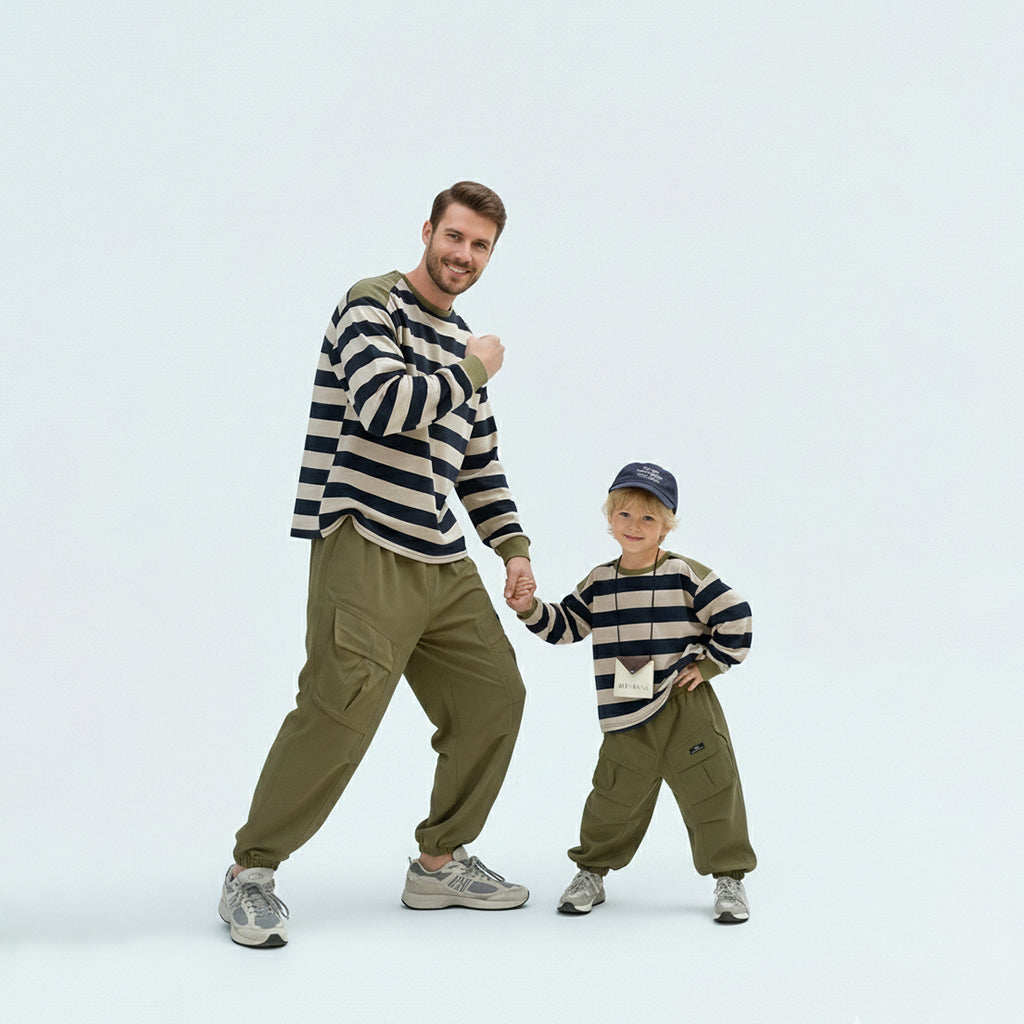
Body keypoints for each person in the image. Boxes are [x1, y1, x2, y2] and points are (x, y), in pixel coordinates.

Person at [219, 182, 534, 948]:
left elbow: (478, 466)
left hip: (440, 557)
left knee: (495, 697)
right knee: (338, 712)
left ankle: (439, 862)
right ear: (427, 231)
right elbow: (384, 405)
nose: (464, 254)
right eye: (455, 236)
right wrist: (473, 370)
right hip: (364, 539)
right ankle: (250, 874)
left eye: (480, 245)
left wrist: (514, 549)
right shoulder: (373, 304)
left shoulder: (462, 345)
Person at [506, 462, 757, 922]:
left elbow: (736, 615)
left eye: (648, 517)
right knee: (612, 798)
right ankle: (591, 873)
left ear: (667, 525)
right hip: (625, 711)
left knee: (713, 790)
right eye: (624, 514)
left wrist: (708, 666)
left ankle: (729, 879)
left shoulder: (684, 573)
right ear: (610, 517)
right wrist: (528, 607)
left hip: (684, 706)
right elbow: (565, 626)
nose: (634, 526)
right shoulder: (601, 581)